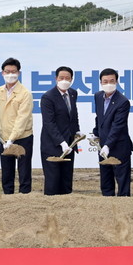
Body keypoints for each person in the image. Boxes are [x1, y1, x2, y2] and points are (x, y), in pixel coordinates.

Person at [0, 57, 34, 194]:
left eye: (13, 71)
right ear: (2, 73)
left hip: (22, 137)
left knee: (23, 171)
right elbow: (0, 112)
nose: (10, 74)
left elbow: (22, 118)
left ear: (19, 73)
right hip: (5, 137)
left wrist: (12, 139)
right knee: (6, 171)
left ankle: (24, 198)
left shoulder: (25, 93)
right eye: (7, 71)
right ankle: (8, 198)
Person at [93, 67, 133, 197]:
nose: (108, 84)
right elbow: (100, 117)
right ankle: (107, 203)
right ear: (100, 82)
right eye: (105, 81)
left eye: (111, 81)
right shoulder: (98, 96)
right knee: (105, 178)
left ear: (116, 82)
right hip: (103, 144)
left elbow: (118, 126)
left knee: (122, 180)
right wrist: (96, 133)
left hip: (119, 146)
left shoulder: (123, 102)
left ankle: (124, 204)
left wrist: (108, 145)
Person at [40, 66, 80, 195]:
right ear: (56, 78)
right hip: (53, 145)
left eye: (67, 78)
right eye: (61, 78)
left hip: (70, 143)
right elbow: (48, 123)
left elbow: (73, 115)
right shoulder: (48, 97)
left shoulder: (73, 93)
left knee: (66, 180)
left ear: (72, 79)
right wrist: (61, 142)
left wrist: (77, 132)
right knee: (53, 181)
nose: (64, 80)